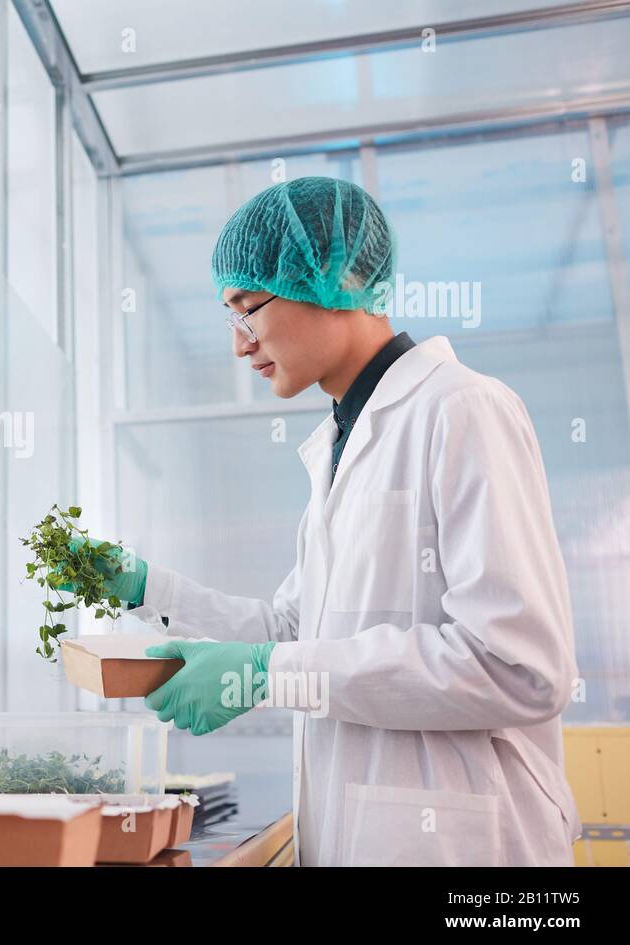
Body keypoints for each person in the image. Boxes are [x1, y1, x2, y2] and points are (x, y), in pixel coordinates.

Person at [65, 176, 581, 866]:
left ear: (335, 277)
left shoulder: (461, 409)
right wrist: (142, 588)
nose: (240, 345)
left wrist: (266, 673)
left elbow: (518, 667)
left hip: (469, 851)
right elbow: (292, 634)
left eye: (248, 308)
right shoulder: (339, 445)